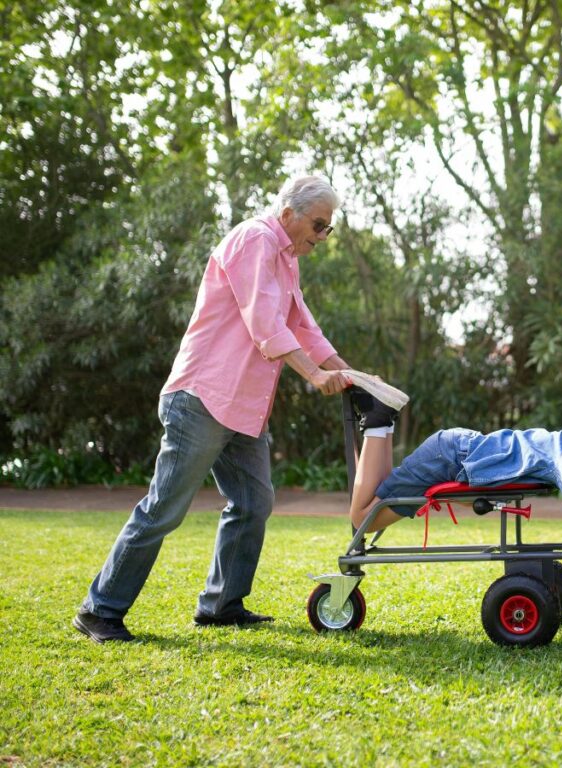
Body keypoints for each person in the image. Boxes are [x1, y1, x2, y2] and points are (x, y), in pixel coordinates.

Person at [74, 175, 353, 643]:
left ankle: (221, 605)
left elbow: (302, 324)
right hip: (203, 398)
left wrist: (351, 374)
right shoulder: (255, 239)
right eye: (319, 225)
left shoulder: (285, 258)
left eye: (329, 228)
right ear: (289, 213)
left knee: (252, 502)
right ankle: (99, 610)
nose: (323, 236)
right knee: (164, 507)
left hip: (242, 408)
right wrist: (314, 376)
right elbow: (264, 322)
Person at [348, 400, 562, 580]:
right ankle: (377, 422)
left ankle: (382, 420)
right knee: (364, 517)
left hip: (457, 451)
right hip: (451, 455)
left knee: (377, 500)